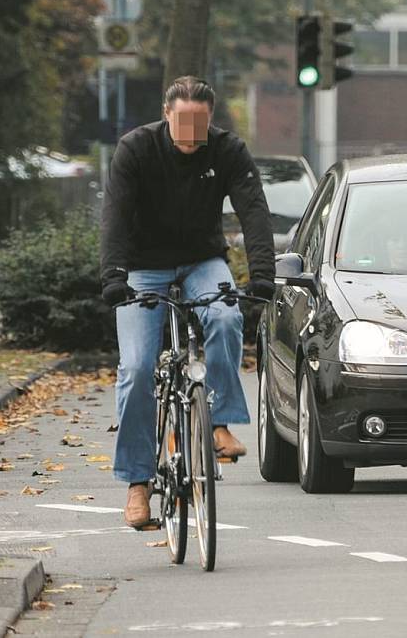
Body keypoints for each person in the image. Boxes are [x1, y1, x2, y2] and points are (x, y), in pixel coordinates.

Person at [100, 76, 276, 528]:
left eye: (200, 123)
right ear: (166, 114)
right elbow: (116, 214)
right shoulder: (136, 150)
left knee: (225, 316)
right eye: (183, 122)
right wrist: (114, 276)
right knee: (138, 368)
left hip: (202, 261)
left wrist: (262, 275)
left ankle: (217, 421)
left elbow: (253, 210)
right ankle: (137, 484)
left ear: (210, 119)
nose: (191, 133)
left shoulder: (227, 151)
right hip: (143, 267)